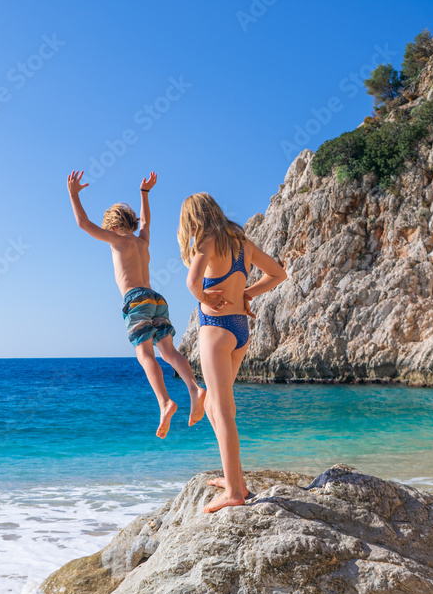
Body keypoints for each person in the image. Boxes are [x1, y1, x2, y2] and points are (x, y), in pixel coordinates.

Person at [67, 170, 206, 438]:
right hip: (156, 298)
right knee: (168, 351)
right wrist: (144, 193)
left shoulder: (116, 240)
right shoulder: (142, 241)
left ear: (111, 225)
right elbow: (148, 223)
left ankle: (165, 402)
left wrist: (73, 195)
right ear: (131, 221)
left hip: (136, 300)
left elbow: (83, 223)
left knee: (145, 355)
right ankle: (194, 388)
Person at [178, 192, 287, 512]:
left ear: (192, 221)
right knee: (215, 404)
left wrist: (206, 299)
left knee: (223, 411)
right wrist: (247, 294)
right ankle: (234, 479)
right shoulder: (242, 245)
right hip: (240, 332)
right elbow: (278, 274)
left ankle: (235, 493)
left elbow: (190, 282)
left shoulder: (207, 243)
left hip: (215, 330)